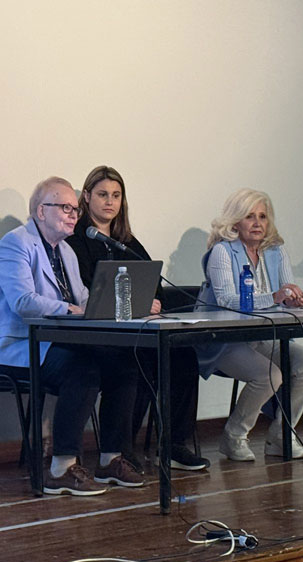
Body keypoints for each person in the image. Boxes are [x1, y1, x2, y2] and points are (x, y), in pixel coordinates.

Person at [0, 176, 143, 495]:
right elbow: (23, 302)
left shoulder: (65, 250)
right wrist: (71, 309)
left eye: (75, 210)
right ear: (41, 211)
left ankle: (111, 459)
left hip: (55, 343)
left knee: (123, 364)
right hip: (15, 346)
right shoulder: (16, 243)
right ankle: (61, 468)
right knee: (81, 369)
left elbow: (83, 298)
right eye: (65, 208)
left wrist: (107, 306)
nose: (73, 215)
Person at [66, 165, 209, 471]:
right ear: (86, 197)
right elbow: (88, 291)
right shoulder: (75, 240)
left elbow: (151, 280)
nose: (110, 202)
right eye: (103, 194)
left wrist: (153, 302)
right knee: (137, 360)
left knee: (183, 356)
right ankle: (121, 450)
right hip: (97, 334)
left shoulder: (126, 241)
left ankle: (174, 444)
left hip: (134, 329)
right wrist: (136, 304)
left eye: (116, 195)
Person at [197, 188, 303, 461]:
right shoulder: (222, 251)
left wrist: (293, 299)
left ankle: (281, 436)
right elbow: (228, 301)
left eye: (262, 217)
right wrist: (275, 297)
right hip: (223, 340)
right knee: (269, 375)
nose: (257, 223)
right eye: (249, 216)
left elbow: (285, 292)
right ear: (235, 221)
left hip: (261, 336)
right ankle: (233, 437)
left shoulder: (275, 251)